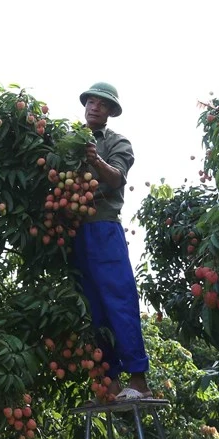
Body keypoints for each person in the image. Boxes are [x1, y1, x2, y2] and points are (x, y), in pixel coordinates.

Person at [72, 82, 151, 401]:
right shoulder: (69, 139)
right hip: (74, 231)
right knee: (92, 309)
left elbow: (117, 178)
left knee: (119, 300)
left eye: (102, 104)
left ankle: (139, 380)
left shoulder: (118, 142)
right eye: (91, 101)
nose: (94, 107)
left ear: (110, 112)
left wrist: (94, 160)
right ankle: (110, 381)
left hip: (104, 229)